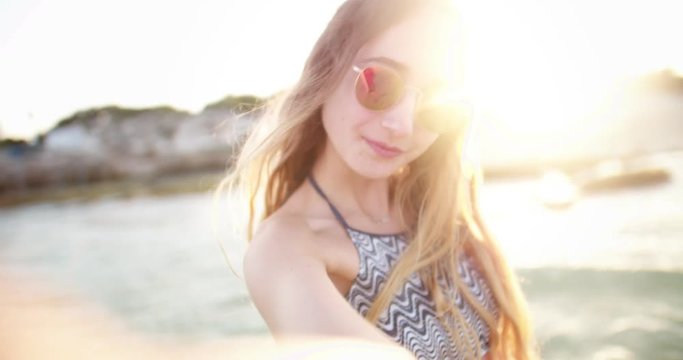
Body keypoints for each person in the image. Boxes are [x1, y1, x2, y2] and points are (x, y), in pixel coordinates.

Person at [219, 0, 538, 358]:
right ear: (328, 68)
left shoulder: (439, 215)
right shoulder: (285, 249)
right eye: (379, 83)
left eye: (435, 102)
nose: (402, 124)